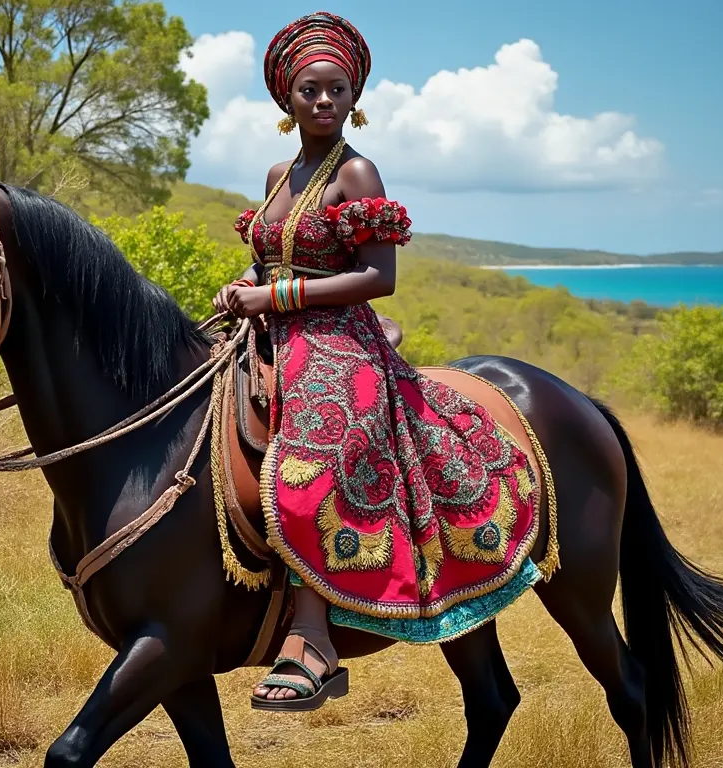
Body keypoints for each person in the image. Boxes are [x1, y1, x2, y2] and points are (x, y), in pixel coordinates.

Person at [213, 11, 544, 711]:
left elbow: (378, 277)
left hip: (339, 338)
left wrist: (279, 293)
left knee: (315, 457)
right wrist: (245, 286)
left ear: (353, 96)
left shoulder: (357, 171)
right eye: (310, 90)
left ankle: (312, 638)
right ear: (287, 99)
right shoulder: (280, 172)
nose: (325, 101)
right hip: (272, 329)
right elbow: (267, 257)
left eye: (337, 89)